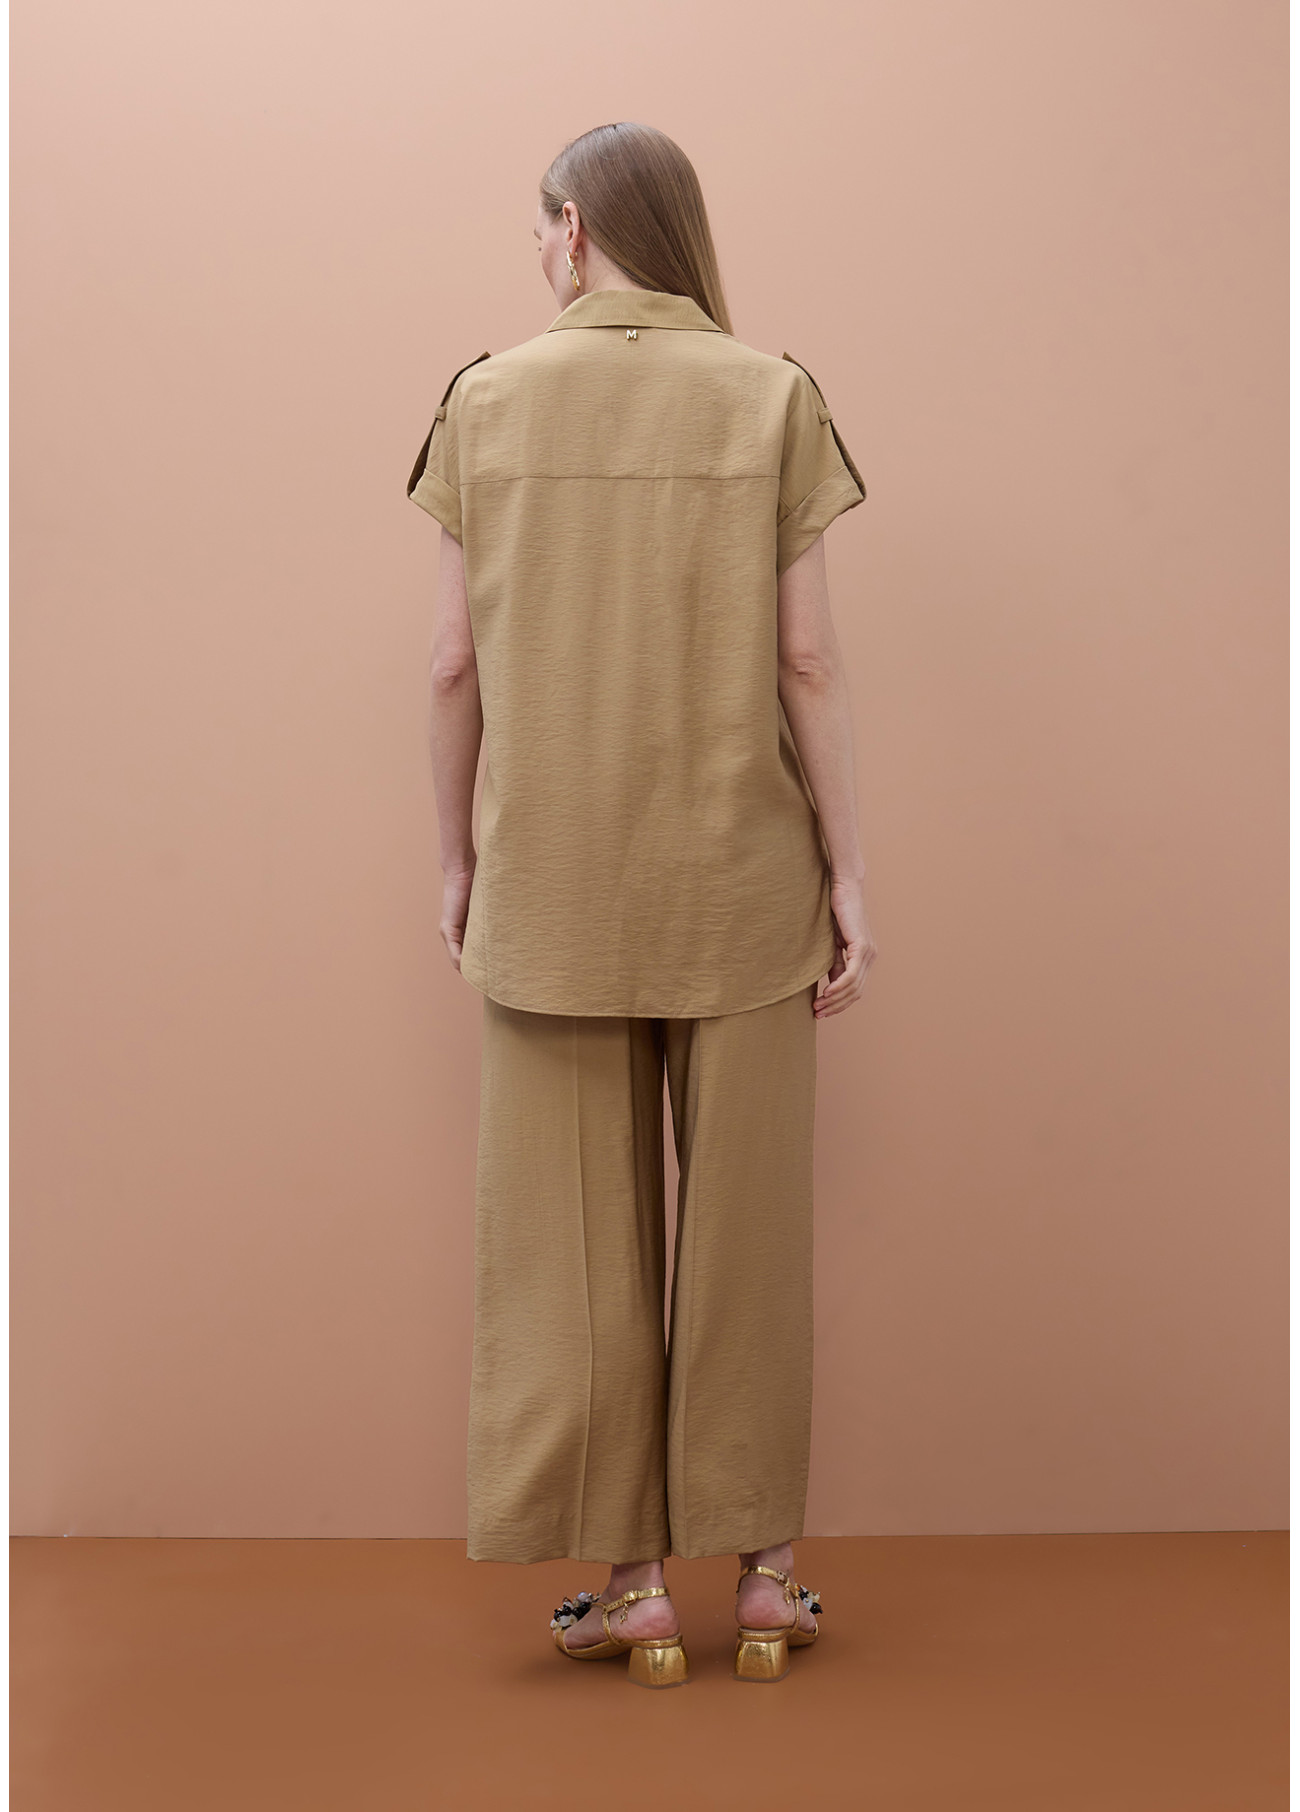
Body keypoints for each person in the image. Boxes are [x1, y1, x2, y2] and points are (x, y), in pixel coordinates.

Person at [407, 121, 877, 1687]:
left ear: (568, 229)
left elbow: (452, 664)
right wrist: (848, 873)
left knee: (577, 1252)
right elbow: (808, 660)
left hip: (554, 887)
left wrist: (456, 861)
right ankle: (767, 1579)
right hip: (741, 886)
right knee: (749, 1237)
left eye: (537, 228)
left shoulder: (485, 399)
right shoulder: (771, 393)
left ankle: (634, 1592)